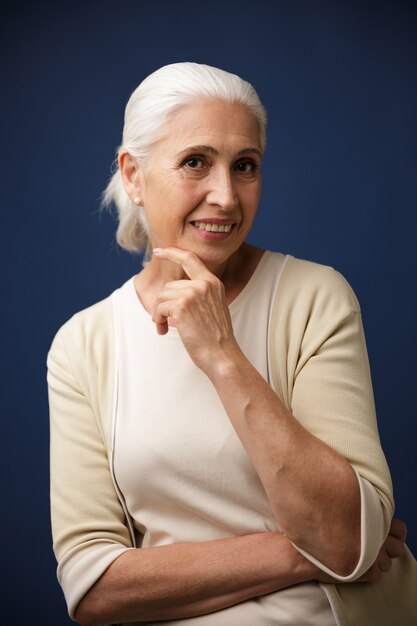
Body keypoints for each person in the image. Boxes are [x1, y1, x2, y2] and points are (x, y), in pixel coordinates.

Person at [47, 62, 416, 626]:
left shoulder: (315, 297)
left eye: (245, 166)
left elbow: (346, 536)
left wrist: (222, 355)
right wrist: (305, 552)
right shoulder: (83, 344)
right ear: (133, 175)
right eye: (196, 162)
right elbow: (95, 588)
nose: (225, 195)